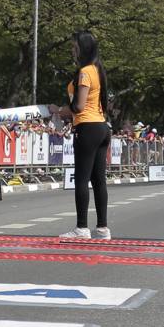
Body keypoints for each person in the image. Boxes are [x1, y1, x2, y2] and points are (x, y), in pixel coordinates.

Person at [56, 30, 112, 240]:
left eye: (74, 46)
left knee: (81, 179)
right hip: (101, 127)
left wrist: (58, 110)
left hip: (87, 127)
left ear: (83, 47)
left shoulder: (85, 72)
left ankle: (81, 228)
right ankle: (103, 228)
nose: (72, 50)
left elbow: (78, 106)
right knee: (99, 181)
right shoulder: (97, 69)